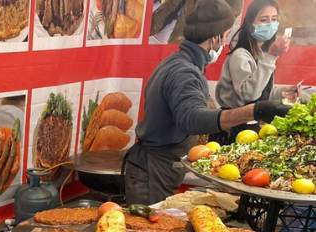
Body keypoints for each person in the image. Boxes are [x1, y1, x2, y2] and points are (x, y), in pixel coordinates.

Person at [124, 0, 291, 206]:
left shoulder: (178, 61)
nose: (223, 43)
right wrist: (252, 111)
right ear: (215, 38)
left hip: (158, 168)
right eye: (225, 35)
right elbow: (193, 120)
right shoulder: (183, 71)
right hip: (152, 171)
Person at [213, 0, 300, 144]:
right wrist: (271, 56)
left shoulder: (260, 54)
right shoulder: (240, 56)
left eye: (274, 19)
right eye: (263, 20)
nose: (270, 24)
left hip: (251, 126)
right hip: (232, 128)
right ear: (250, 24)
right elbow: (248, 95)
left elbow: (259, 92)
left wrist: (280, 93)